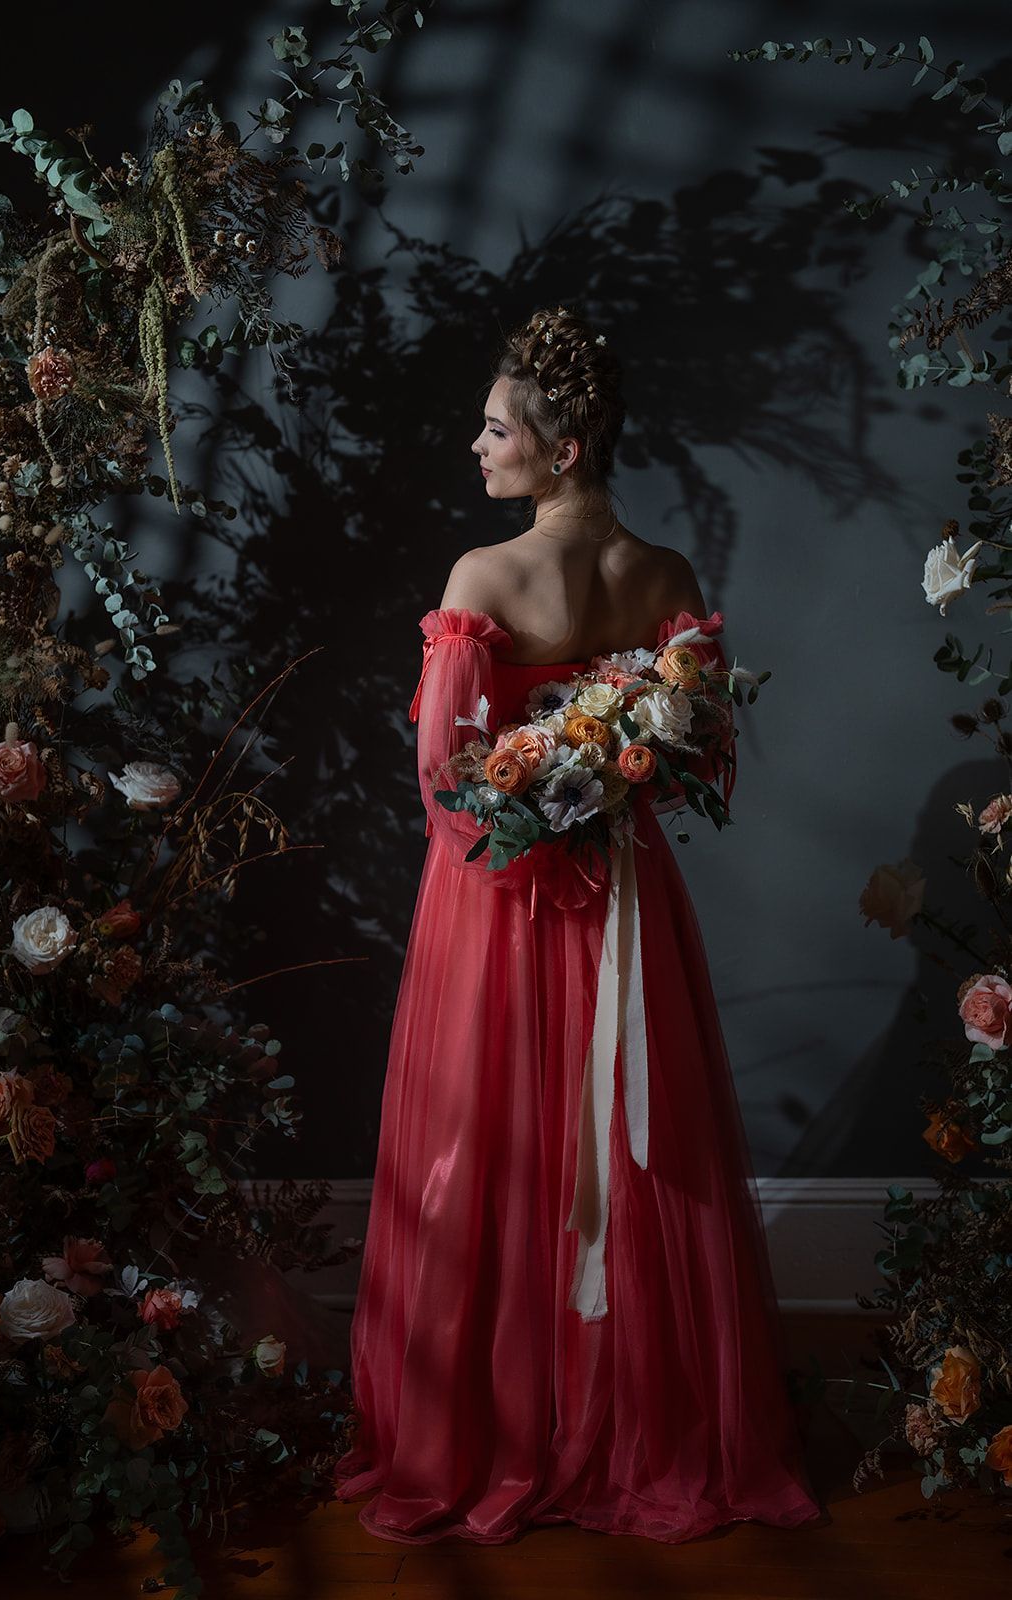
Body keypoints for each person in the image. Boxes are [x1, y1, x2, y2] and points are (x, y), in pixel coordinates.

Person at [332, 305, 824, 1544]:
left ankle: (496, 1428)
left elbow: (449, 787)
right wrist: (610, 771)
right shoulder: (665, 578)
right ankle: (638, 1420)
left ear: (560, 448)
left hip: (500, 903)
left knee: (493, 1144)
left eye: (495, 428)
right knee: (618, 1139)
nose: (474, 445)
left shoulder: (481, 580)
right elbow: (705, 750)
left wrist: (534, 790)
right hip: (627, 896)